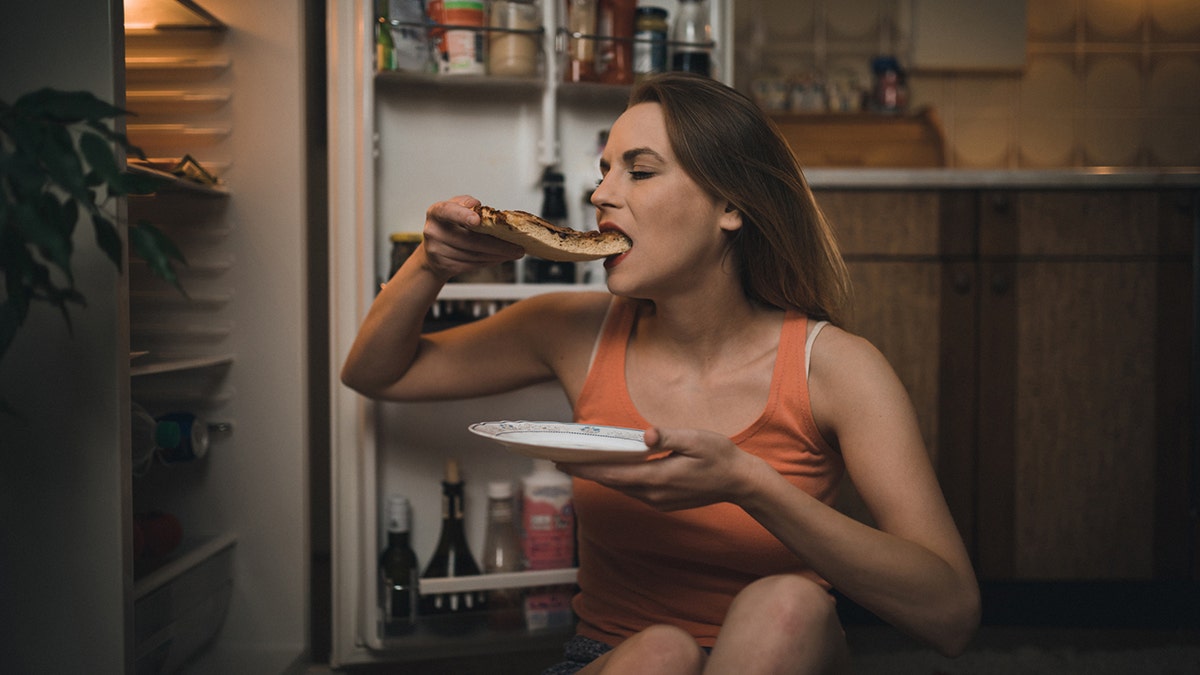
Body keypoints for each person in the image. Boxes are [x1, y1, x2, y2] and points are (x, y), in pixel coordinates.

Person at [341, 72, 980, 674]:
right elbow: (377, 373)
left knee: (788, 604)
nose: (600, 195)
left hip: (782, 653)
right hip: (615, 655)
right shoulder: (572, 331)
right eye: (605, 170)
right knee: (662, 656)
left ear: (730, 207)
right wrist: (431, 263)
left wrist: (752, 486)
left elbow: (950, 616)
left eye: (639, 172)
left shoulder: (835, 368)